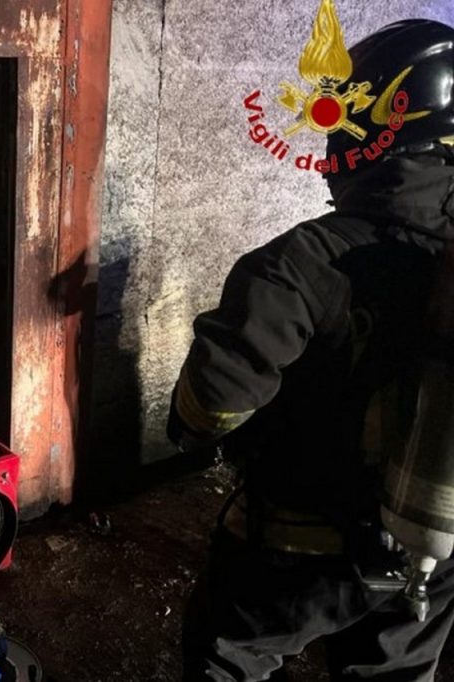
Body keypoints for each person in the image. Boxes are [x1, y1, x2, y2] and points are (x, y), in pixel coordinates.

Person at [169, 19, 454, 681]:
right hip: (434, 553)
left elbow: (210, 408)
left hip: (297, 552)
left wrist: (187, 424)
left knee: (226, 655)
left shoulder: (299, 264)